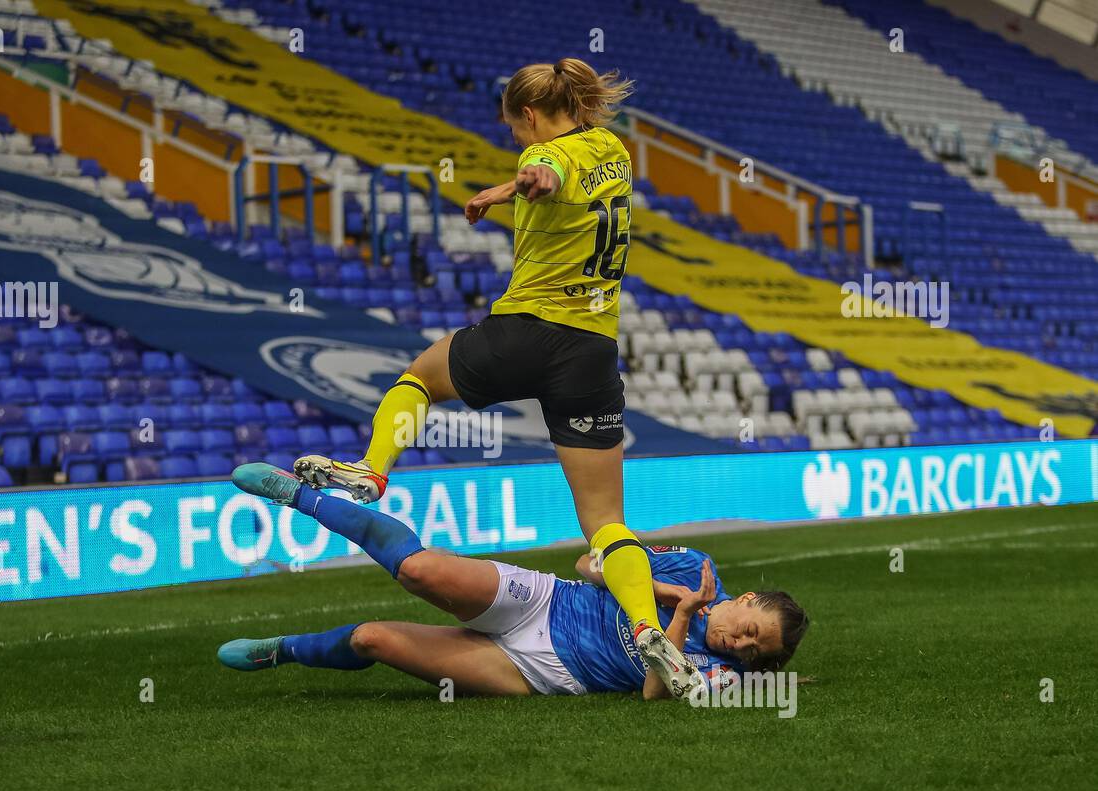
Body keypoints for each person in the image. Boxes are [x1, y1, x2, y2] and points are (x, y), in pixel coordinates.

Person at [291, 57, 688, 681]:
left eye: (513, 128)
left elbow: (547, 172)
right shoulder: (613, 147)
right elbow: (560, 173)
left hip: (527, 332)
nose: (515, 140)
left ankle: (372, 471)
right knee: (607, 523)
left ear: (529, 115)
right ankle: (645, 629)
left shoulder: (550, 155)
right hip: (591, 351)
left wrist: (518, 183)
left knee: (419, 377)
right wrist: (516, 187)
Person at [218, 464, 810, 700]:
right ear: (750, 600)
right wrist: (664, 592)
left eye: (759, 651)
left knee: (374, 640)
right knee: (419, 569)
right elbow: (590, 564)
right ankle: (301, 495)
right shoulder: (692, 565)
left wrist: (680, 616)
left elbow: (658, 694)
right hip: (547, 604)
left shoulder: (721, 672)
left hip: (541, 675)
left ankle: (283, 652)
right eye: (753, 630)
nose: (745, 644)